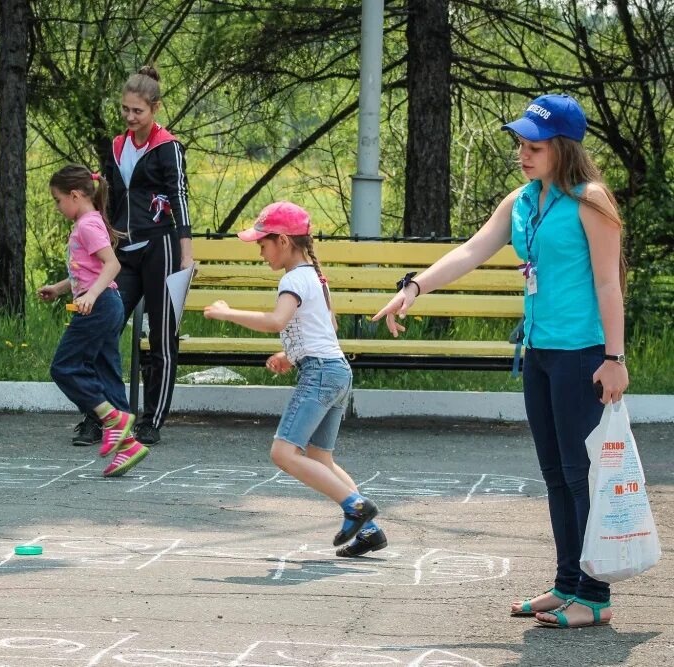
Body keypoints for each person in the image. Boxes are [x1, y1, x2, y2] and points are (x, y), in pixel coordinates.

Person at [372, 94, 626, 628]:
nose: (522, 155)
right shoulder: (523, 200)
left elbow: (609, 282)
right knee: (556, 473)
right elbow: (471, 250)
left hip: (583, 354)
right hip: (538, 354)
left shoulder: (591, 200)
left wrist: (615, 357)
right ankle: (566, 584)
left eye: (533, 147)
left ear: (561, 148)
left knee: (583, 476)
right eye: (520, 145)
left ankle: (594, 597)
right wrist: (414, 287)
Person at [204, 202, 387, 557]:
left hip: (320, 373)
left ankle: (356, 506)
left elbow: (276, 321)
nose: (260, 252)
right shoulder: (315, 277)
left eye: (262, 244)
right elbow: (326, 327)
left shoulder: (294, 279)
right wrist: (291, 354)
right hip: (335, 370)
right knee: (321, 458)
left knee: (283, 452)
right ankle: (371, 531)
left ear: (283, 241)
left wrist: (227, 313)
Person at [79, 64, 192, 448]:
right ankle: (99, 416)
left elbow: (180, 198)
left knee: (161, 338)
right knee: (103, 326)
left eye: (137, 111)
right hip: (121, 251)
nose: (129, 117)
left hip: (160, 247)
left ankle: (151, 420)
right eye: (125, 109)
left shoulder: (168, 148)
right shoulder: (116, 145)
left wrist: (185, 254)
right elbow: (106, 193)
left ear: (154, 109)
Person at [39, 165, 150, 477]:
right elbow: (87, 269)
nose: (57, 206)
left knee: (64, 367)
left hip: (98, 306)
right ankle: (128, 445)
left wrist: (88, 297)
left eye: (58, 200)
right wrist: (62, 289)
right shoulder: (88, 222)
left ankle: (111, 418)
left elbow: (112, 265)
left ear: (75, 196)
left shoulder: (87, 225)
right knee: (106, 373)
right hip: (103, 304)